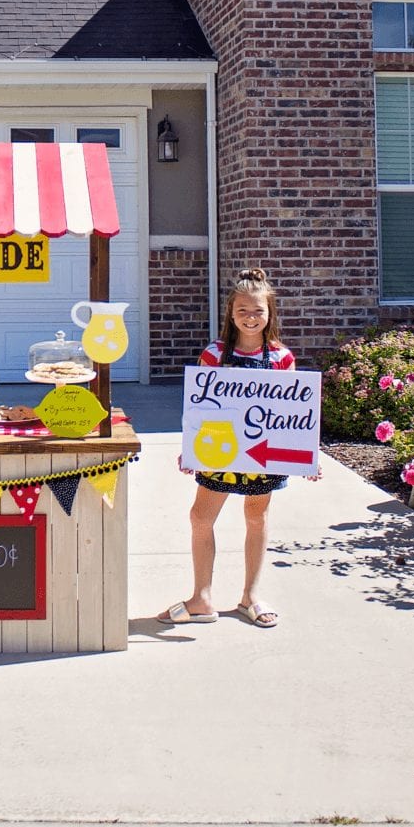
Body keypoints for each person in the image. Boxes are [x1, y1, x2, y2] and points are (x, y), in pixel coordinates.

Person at [159, 268, 295, 630]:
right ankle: (201, 597)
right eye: (243, 311)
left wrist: (304, 454)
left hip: (263, 453)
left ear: (270, 314)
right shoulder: (214, 354)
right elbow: (199, 408)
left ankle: (250, 595)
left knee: (256, 518)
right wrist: (191, 449)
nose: (250, 318)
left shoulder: (282, 358)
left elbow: (293, 413)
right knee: (201, 517)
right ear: (231, 314)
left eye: (258, 311)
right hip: (219, 448)